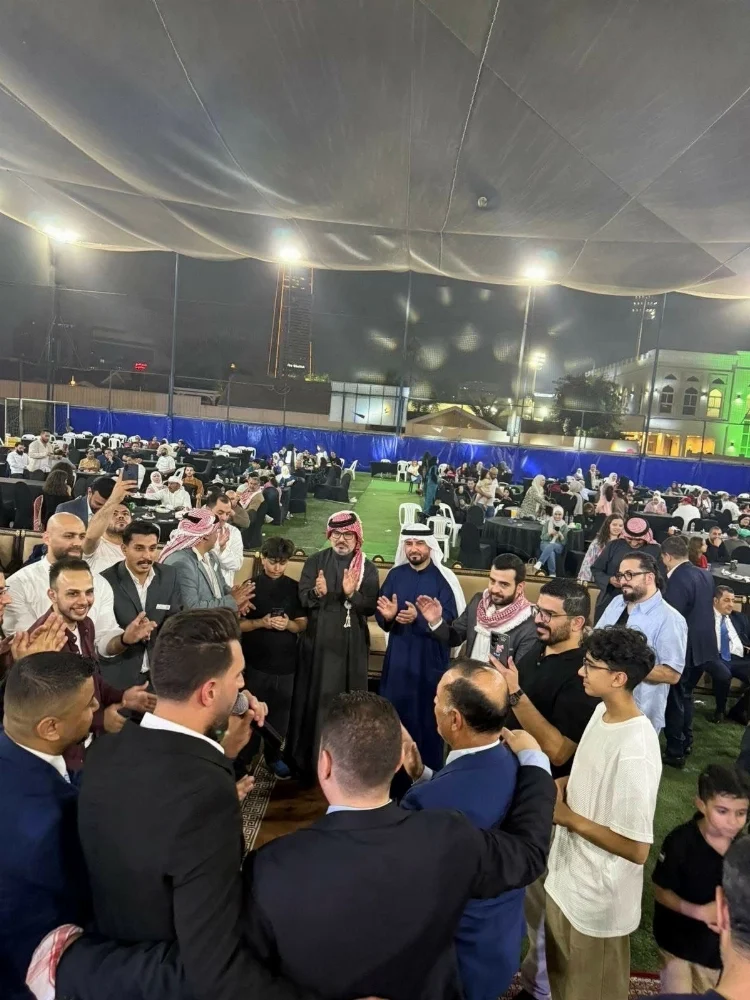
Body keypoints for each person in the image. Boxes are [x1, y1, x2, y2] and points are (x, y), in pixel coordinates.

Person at [46, 608, 295, 1000]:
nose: (243, 686)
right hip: (157, 975)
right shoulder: (208, 796)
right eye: (237, 675)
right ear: (209, 692)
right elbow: (214, 969)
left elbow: (162, 806)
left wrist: (221, 753)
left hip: (108, 940)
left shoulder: (106, 751)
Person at [399, 661, 534, 1000]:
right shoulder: (514, 760)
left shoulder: (426, 802)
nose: (433, 705)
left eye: (437, 700)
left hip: (456, 959)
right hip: (499, 941)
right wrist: (422, 774)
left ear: (455, 720)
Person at [544, 626, 662, 1000]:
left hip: (598, 901)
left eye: (590, 665)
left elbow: (636, 848)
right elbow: (590, 774)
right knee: (562, 985)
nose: (581, 671)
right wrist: (565, 784)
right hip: (566, 878)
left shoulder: (636, 749)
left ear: (618, 678)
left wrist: (567, 817)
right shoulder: (600, 712)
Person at [497, 579, 600, 1000]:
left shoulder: (582, 676)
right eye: (538, 610)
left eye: (549, 615)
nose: (539, 620)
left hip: (547, 799)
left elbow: (559, 750)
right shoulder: (536, 650)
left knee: (541, 901)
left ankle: (539, 989)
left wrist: (515, 693)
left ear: (576, 622)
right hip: (514, 784)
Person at [0, 652, 97, 1000]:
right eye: (88, 703)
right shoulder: (55, 818)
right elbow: (92, 896)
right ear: (50, 727)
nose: (97, 706)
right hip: (34, 966)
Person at [32, 558, 156, 768]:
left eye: (88, 592)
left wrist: (122, 696)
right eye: (73, 594)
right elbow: (49, 708)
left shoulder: (86, 624)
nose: (84, 601)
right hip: (60, 758)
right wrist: (99, 720)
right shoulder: (44, 639)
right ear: (52, 595)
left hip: (87, 746)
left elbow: (92, 678)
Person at [284, 511, 379, 782]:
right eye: (336, 534)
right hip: (319, 642)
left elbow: (370, 607)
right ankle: (308, 761)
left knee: (348, 703)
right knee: (314, 700)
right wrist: (318, 592)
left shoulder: (366, 568)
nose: (341, 539)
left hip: (351, 645)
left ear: (357, 537)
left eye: (347, 534)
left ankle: (347, 765)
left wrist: (352, 594)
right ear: (329, 535)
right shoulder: (316, 562)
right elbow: (303, 599)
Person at [652, 764, 750, 995]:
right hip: (677, 945)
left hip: (718, 952)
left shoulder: (743, 849)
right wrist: (700, 912)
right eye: (722, 811)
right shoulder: (680, 843)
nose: (733, 822)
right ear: (701, 805)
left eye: (741, 813)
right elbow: (660, 890)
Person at [376, 523, 466, 770]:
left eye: (419, 544)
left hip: (430, 661)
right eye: (409, 543)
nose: (413, 549)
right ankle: (393, 777)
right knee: (395, 718)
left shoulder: (443, 579)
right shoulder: (395, 575)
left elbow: (452, 622)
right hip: (398, 660)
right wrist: (389, 616)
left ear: (430, 547)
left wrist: (423, 619)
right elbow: (382, 612)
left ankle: (427, 778)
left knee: (428, 720)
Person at [594, 551, 687, 740]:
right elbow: (597, 639)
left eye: (629, 575)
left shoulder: (670, 619)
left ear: (649, 577)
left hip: (638, 714)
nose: (623, 581)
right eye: (620, 575)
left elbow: (672, 674)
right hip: (600, 703)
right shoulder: (616, 603)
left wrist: (622, 668)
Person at [4, 514, 126, 650]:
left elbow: (104, 639)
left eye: (82, 537)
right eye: (69, 536)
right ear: (47, 538)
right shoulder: (18, 584)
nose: (78, 543)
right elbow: (22, 644)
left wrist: (124, 640)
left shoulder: (100, 583)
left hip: (90, 661)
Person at [241, 537, 307, 779]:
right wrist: (261, 622)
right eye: (273, 562)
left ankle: (273, 757)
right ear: (262, 558)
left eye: (282, 562)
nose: (277, 567)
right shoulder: (250, 586)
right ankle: (244, 758)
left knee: (280, 715)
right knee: (249, 712)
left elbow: (302, 624)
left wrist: (287, 624)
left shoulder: (294, 587)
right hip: (255, 662)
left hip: (286, 663)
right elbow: (238, 624)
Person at [101, 520, 182, 689]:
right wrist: (128, 636)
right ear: (124, 549)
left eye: (152, 548)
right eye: (139, 548)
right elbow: (102, 634)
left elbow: (175, 619)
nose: (147, 556)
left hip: (158, 675)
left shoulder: (169, 576)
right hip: (119, 678)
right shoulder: (106, 581)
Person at [417, 553, 538, 667]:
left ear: (520, 587)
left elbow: (521, 673)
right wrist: (436, 621)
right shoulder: (478, 601)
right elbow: (455, 638)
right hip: (469, 677)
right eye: (492, 581)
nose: (495, 589)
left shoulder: (530, 623)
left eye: (503, 584)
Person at [662, 534, 719, 764]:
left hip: (685, 649)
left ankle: (675, 750)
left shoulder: (676, 579)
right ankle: (686, 742)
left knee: (675, 699)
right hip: (705, 648)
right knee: (685, 696)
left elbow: (672, 616)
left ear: (667, 557)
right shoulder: (705, 574)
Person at [159, 507, 253, 614]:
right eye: (216, 531)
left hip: (216, 618)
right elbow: (191, 609)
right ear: (205, 536)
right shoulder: (182, 564)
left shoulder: (211, 556)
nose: (218, 535)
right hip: (196, 623)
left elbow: (221, 587)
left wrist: (235, 594)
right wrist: (232, 601)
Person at [592, 515, 663, 620]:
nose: (634, 543)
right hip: (611, 598)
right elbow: (596, 569)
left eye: (638, 539)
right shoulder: (613, 545)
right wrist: (609, 580)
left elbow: (661, 579)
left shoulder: (656, 550)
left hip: (642, 604)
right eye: (630, 538)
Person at [710, 586, 750, 723]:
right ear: (715, 600)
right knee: (723, 674)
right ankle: (720, 710)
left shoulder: (739, 618)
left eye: (733, 600)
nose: (731, 604)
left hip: (740, 658)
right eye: (727, 600)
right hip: (716, 657)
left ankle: (738, 710)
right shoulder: (706, 618)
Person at [82, 478, 137, 575]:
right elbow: (91, 537)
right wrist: (115, 498)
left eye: (125, 514)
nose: (120, 516)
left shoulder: (136, 547)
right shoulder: (95, 546)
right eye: (114, 514)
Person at [207, 492, 244, 587]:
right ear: (208, 510)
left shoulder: (233, 532)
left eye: (227, 514)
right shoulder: (195, 532)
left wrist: (223, 549)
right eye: (220, 513)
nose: (224, 518)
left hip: (224, 589)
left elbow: (236, 565)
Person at [577, 513, 624, 584]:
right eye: (614, 525)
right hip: (597, 581)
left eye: (620, 525)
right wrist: (585, 581)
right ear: (608, 525)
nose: (617, 527)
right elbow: (588, 563)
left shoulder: (624, 543)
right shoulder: (598, 543)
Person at [533, 505, 569, 577]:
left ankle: (540, 562)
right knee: (551, 552)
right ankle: (552, 574)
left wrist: (561, 535)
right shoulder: (547, 523)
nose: (557, 516)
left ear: (562, 515)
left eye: (559, 514)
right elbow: (542, 537)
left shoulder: (564, 526)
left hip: (558, 545)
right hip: (545, 543)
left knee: (552, 545)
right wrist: (549, 533)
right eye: (555, 514)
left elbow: (564, 542)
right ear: (553, 514)